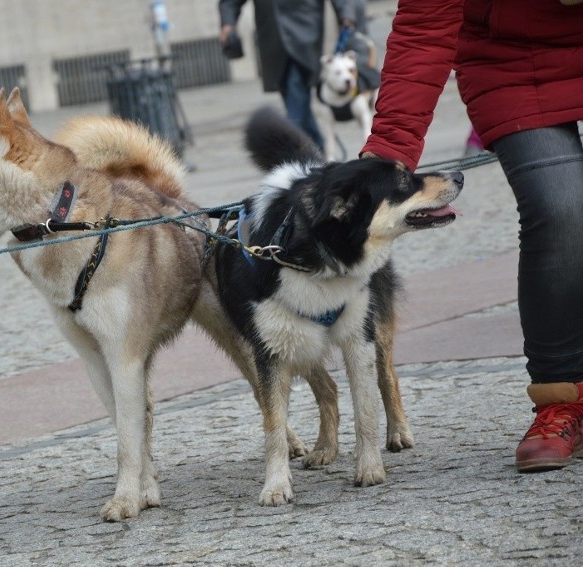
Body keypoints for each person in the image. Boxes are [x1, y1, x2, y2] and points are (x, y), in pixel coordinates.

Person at [361, 0, 583, 472]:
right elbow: (424, 28)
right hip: (514, 64)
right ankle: (561, 398)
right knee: (561, 206)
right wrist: (387, 156)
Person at [218, 0, 358, 150]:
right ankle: (317, 152)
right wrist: (228, 23)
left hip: (304, 29)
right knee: (297, 102)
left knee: (296, 101)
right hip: (272, 37)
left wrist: (346, 15)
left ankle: (304, 155)